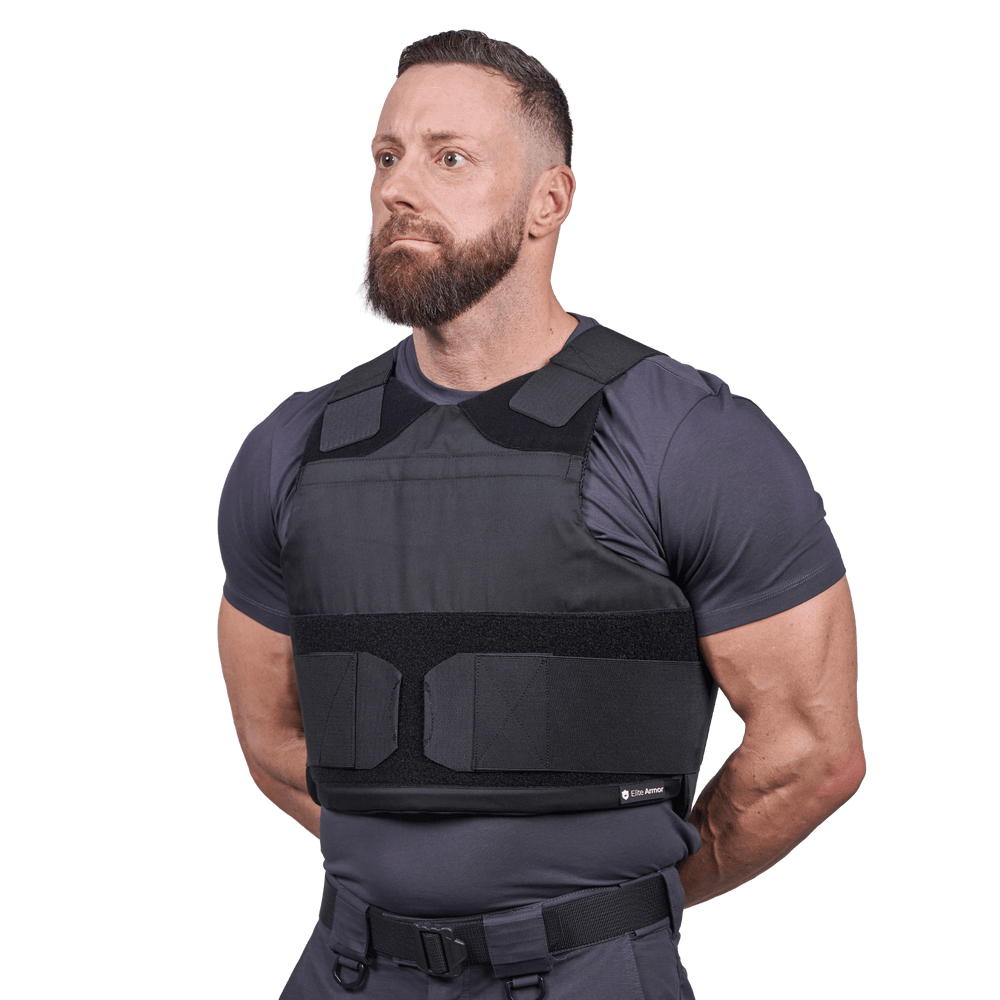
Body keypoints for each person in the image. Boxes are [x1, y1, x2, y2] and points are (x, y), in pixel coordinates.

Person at [216, 28, 866, 1000]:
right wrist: (416, 876)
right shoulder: (292, 446)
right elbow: (270, 739)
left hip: (586, 974)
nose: (398, 189)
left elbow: (812, 753)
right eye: (386, 158)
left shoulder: (687, 437)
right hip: (349, 969)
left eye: (449, 158)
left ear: (548, 201)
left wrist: (613, 907)